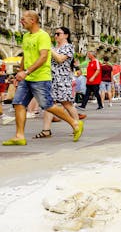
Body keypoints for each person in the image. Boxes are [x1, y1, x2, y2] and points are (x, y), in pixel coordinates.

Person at [2, 11, 83, 146]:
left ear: (33, 20)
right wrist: (20, 72)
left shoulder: (43, 36)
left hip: (40, 77)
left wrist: (26, 72)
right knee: (18, 103)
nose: (21, 21)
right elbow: (26, 56)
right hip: (27, 77)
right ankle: (19, 136)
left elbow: (44, 57)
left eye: (23, 19)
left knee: (48, 105)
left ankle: (75, 123)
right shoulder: (26, 36)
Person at [34, 26, 79, 139]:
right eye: (55, 34)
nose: (55, 36)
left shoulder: (68, 47)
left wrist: (49, 48)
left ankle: (77, 126)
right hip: (51, 77)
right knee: (49, 104)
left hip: (62, 78)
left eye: (58, 34)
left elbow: (60, 59)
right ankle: (46, 130)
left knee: (66, 103)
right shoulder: (54, 47)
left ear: (66, 35)